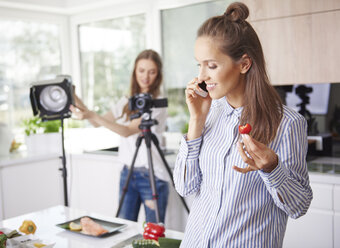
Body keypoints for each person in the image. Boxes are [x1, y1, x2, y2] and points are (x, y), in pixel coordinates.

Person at [173, 2, 313, 247]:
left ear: (244, 64)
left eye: (212, 65)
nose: (202, 76)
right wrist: (196, 120)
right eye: (199, 65)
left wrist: (272, 168)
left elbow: (299, 206)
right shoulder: (208, 113)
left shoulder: (287, 124)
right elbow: (185, 187)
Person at [70, 49, 169, 223]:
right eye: (141, 70)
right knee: (124, 227)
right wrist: (73, 95)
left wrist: (94, 116)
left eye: (151, 72)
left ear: (158, 75)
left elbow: (127, 131)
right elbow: (96, 122)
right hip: (127, 172)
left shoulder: (158, 102)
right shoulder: (127, 101)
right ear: (134, 72)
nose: (146, 76)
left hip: (152, 174)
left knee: (154, 235)